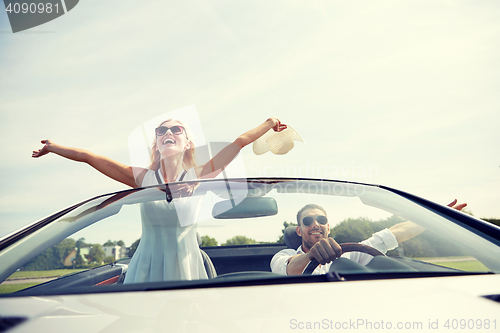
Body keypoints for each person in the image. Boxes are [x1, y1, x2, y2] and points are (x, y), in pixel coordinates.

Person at [33, 117, 287, 283]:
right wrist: (53, 147)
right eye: (161, 130)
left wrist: (270, 122)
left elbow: (240, 142)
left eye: (176, 129)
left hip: (187, 267)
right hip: (145, 266)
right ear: (157, 142)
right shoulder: (144, 178)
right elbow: (90, 157)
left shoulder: (199, 175)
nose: (168, 132)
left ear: (187, 143)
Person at [271, 200, 467, 275]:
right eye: (308, 221)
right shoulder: (283, 256)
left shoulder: (350, 253)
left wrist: (433, 219)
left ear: (328, 226)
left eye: (321, 219)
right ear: (298, 231)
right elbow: (289, 268)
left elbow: (392, 234)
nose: (315, 224)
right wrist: (311, 256)